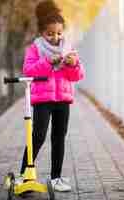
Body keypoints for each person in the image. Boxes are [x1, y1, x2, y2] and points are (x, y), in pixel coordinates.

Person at [19, 0, 85, 192]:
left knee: (59, 137)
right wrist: (48, 62)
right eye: (50, 34)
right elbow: (28, 71)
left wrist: (73, 64)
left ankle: (56, 178)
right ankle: (25, 175)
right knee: (38, 135)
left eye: (58, 33)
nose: (55, 37)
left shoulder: (68, 48)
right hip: (43, 100)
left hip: (63, 100)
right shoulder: (36, 48)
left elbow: (77, 76)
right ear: (42, 33)